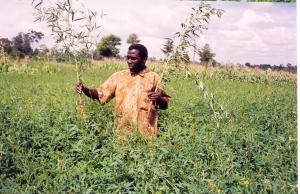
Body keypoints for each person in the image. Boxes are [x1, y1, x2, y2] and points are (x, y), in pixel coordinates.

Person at [76, 44, 170, 137]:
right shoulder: (119, 76)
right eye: (128, 58)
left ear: (144, 59)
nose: (129, 61)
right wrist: (84, 89)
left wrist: (159, 99)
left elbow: (165, 104)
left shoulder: (154, 78)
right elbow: (100, 94)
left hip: (146, 134)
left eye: (133, 58)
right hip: (123, 133)